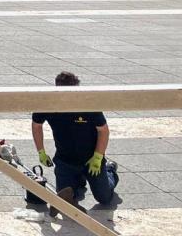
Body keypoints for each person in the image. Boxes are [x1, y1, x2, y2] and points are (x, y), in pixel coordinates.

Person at [32, 71, 119, 211]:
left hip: (91, 159)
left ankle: (110, 170)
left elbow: (103, 130)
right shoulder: (47, 104)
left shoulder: (88, 104)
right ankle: (78, 181)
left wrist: (98, 156)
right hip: (65, 160)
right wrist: (41, 151)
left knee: (104, 198)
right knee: (67, 197)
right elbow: (36, 125)